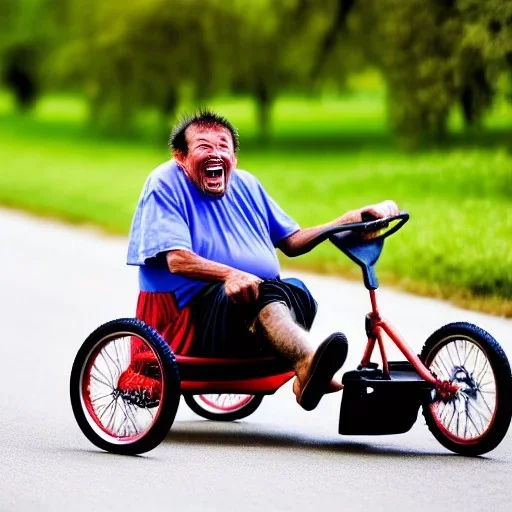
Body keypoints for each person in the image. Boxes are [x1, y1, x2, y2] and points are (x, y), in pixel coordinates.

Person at [127, 109, 400, 410]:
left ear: (234, 157)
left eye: (223, 147)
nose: (215, 154)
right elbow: (177, 260)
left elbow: (293, 242)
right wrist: (231, 275)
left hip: (243, 307)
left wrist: (346, 221)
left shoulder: (246, 185)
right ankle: (308, 363)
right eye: (204, 147)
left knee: (298, 291)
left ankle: (307, 370)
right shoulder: (164, 183)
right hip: (188, 319)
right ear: (180, 156)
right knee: (260, 293)